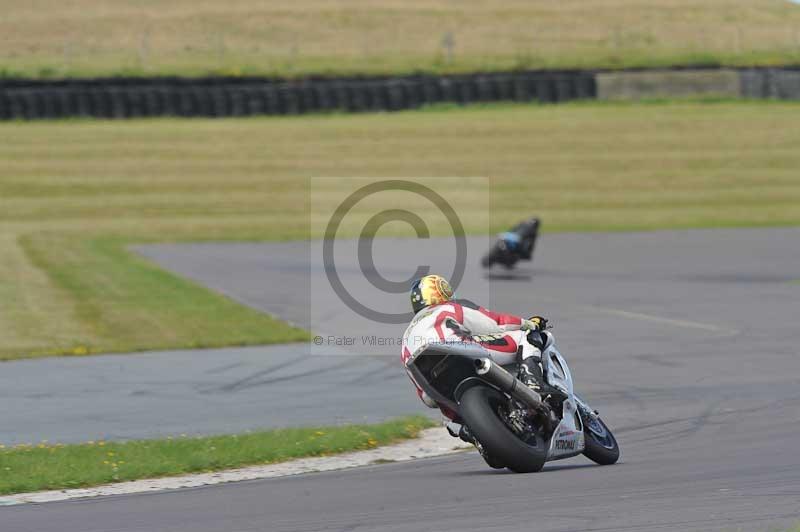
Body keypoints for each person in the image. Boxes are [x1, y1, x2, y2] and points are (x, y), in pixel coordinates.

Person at [401, 274, 557, 425]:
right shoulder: (448, 307)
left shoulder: (406, 337)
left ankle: (467, 431)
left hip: (433, 383)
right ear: (440, 292)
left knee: (449, 418)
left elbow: (426, 398)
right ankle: (533, 385)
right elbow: (497, 322)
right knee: (526, 337)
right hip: (460, 349)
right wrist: (531, 324)